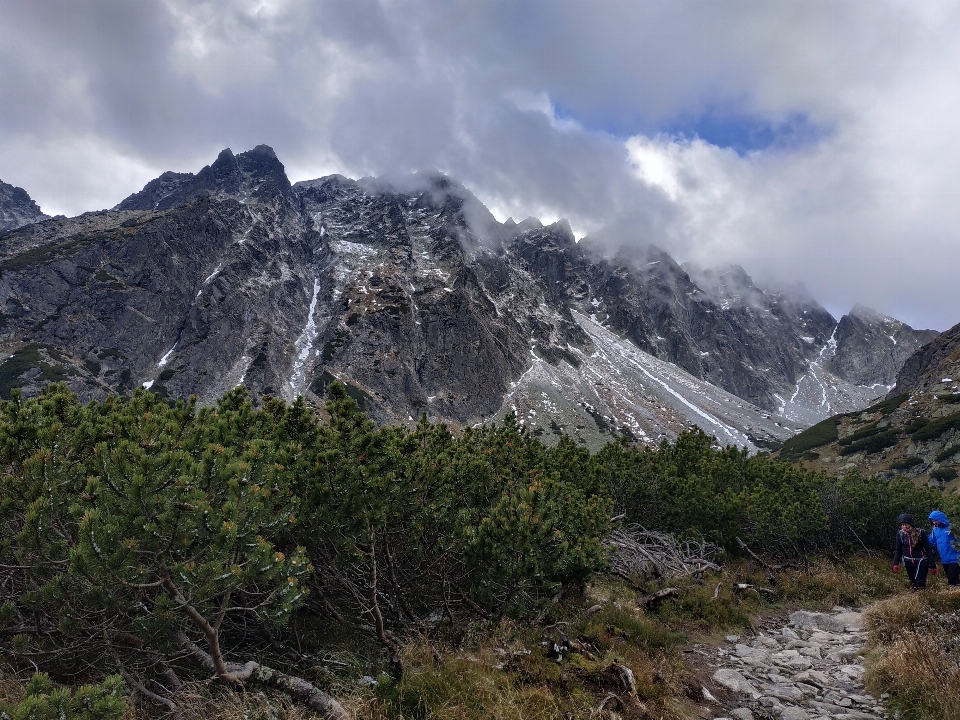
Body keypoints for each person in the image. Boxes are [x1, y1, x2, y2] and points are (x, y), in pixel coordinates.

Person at [893, 513, 936, 590]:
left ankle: (922, 599)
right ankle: (916, 600)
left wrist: (932, 565)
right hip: (908, 562)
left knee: (920, 584)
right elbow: (898, 549)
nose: (905, 527)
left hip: (921, 562)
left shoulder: (920, 532)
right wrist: (895, 563)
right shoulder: (900, 534)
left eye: (906, 524)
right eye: (902, 525)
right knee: (913, 583)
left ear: (911, 524)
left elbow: (928, 548)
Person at [928, 510, 960, 587]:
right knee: (953, 579)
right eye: (932, 521)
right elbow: (930, 541)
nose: (934, 523)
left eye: (935, 520)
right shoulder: (935, 529)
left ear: (940, 519)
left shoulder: (952, 527)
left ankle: (953, 596)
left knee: (952, 580)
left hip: (955, 558)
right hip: (945, 559)